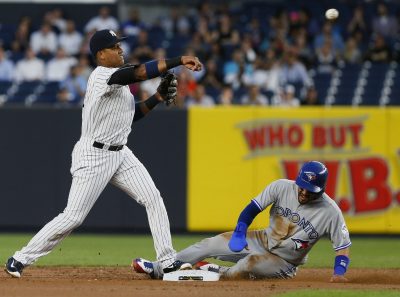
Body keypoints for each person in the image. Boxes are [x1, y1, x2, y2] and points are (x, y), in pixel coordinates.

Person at [5, 29, 202, 278]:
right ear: (101, 54)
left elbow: (134, 115)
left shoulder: (118, 80)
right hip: (93, 155)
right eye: (114, 46)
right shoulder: (101, 76)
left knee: (153, 197)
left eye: (119, 44)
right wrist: (178, 60)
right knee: (73, 217)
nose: (120, 49)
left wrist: (158, 96)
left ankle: (167, 259)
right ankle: (20, 257)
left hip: (120, 152)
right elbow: (140, 72)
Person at [133, 161, 351, 282]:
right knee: (210, 244)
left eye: (309, 190)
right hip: (262, 240)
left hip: (285, 262)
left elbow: (342, 248)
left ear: (321, 189)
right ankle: (161, 267)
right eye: (301, 186)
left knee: (245, 266)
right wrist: (240, 230)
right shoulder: (282, 187)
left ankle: (215, 272)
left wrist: (339, 273)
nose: (303, 192)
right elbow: (251, 209)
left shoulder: (330, 211)